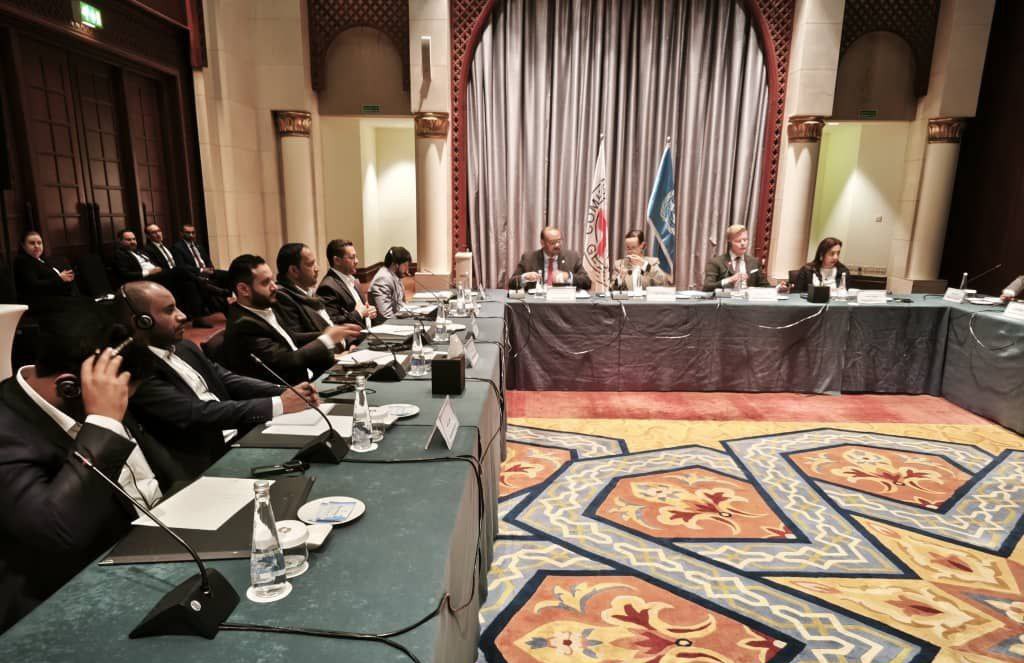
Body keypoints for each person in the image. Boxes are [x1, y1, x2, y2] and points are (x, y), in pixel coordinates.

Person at [0, 307, 163, 633]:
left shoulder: (92, 393)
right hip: (51, 605)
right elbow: (58, 531)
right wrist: (103, 422)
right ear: (69, 387)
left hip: (127, 555)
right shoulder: (6, 429)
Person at [122, 281, 317, 481]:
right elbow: (197, 413)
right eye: (169, 311)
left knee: (314, 456)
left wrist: (284, 391)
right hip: (206, 463)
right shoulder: (136, 373)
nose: (182, 316)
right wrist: (279, 404)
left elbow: (227, 379)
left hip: (239, 436)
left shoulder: (184, 347)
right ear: (142, 322)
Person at [221, 254, 362, 385]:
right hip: (290, 391)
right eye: (265, 283)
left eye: (272, 280)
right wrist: (327, 339)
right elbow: (286, 361)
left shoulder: (264, 306)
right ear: (243, 289)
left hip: (309, 376)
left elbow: (291, 338)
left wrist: (332, 334)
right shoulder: (243, 325)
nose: (274, 287)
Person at [112, 228, 207, 326]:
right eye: (128, 240)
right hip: (145, 280)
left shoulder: (139, 251)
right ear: (120, 241)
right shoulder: (119, 254)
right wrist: (149, 272)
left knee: (189, 284)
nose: (132, 242)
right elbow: (125, 274)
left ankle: (197, 318)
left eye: (134, 239)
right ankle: (201, 280)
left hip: (159, 275)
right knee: (180, 269)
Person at [273, 243, 338, 337]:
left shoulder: (309, 292)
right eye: (310, 264)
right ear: (294, 270)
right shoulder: (283, 297)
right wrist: (336, 336)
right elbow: (299, 338)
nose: (317, 269)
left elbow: (330, 324)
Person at [509, 226, 592, 291]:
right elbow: (511, 283)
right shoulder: (529, 258)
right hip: (537, 303)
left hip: (563, 303)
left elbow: (587, 283)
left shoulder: (572, 257)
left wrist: (569, 277)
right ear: (542, 243)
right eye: (553, 242)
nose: (557, 245)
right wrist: (525, 277)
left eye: (559, 241)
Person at [12, 230, 78, 309]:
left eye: (39, 243)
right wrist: (60, 279)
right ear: (23, 246)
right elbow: (34, 286)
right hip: (39, 304)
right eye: (32, 243)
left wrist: (67, 279)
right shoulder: (22, 261)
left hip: (57, 299)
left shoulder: (42, 260)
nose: (37, 246)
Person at [317, 239, 378, 325]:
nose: (356, 261)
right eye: (352, 257)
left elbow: (363, 310)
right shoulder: (327, 287)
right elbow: (333, 322)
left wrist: (369, 312)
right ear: (337, 260)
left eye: (356, 257)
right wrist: (359, 314)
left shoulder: (354, 280)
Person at [702, 225, 771, 291]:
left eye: (745, 240)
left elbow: (765, 286)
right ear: (730, 242)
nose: (743, 243)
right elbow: (707, 287)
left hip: (748, 298)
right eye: (738, 241)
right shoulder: (716, 262)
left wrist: (777, 289)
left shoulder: (754, 262)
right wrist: (730, 280)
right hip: (726, 298)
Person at [369, 246, 412, 320]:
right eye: (405, 265)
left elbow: (401, 304)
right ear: (395, 264)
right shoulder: (382, 280)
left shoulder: (394, 276)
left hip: (399, 318)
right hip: (388, 324)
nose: (407, 270)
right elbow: (386, 316)